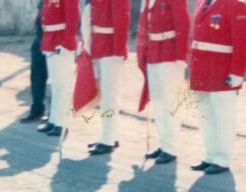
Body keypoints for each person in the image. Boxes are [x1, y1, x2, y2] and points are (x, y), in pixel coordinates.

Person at [187, 0, 246, 175]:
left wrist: (237, 73)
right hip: (201, 68)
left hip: (221, 69)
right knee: (204, 115)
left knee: (223, 116)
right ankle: (210, 155)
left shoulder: (237, 5)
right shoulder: (202, 3)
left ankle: (222, 159)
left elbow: (242, 42)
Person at [136, 0, 190, 165]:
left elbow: (183, 24)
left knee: (171, 103)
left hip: (169, 54)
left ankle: (171, 148)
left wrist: (180, 57)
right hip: (153, 53)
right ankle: (163, 143)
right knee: (158, 102)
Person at [81, 0, 130, 155]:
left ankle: (107, 139)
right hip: (99, 45)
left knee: (109, 96)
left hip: (110, 49)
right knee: (106, 96)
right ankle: (111, 135)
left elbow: (122, 21)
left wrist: (118, 52)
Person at [39, 0, 80, 137]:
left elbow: (73, 16)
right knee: (56, 85)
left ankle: (62, 123)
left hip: (60, 41)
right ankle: (54, 120)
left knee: (64, 85)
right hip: (50, 40)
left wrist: (67, 42)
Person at [24, 0, 51, 125]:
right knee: (36, 77)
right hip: (39, 39)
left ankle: (55, 116)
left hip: (53, 41)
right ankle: (37, 110)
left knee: (56, 81)